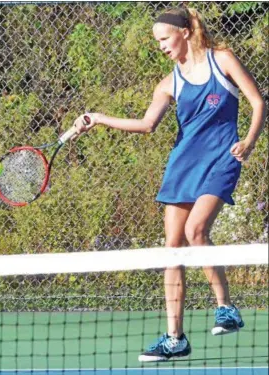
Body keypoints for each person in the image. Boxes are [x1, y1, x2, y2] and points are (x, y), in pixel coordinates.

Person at [73, 7, 266, 362]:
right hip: (183, 165)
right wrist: (97, 118)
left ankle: (226, 308)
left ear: (185, 33)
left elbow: (257, 102)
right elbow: (147, 124)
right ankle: (175, 338)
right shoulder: (169, 83)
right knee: (172, 248)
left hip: (223, 159)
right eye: (157, 41)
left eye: (164, 38)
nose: (160, 46)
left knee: (196, 230)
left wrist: (250, 141)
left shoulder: (221, 59)